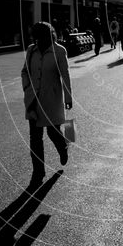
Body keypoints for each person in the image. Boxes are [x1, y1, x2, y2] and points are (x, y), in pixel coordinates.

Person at [21, 21, 72, 185]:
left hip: (52, 98)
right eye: (35, 38)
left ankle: (63, 147)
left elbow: (65, 75)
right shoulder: (31, 50)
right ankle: (38, 171)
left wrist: (68, 97)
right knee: (35, 138)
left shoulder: (59, 51)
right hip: (33, 100)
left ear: (49, 36)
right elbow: (25, 72)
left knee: (52, 132)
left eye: (41, 37)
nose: (38, 41)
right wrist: (27, 87)